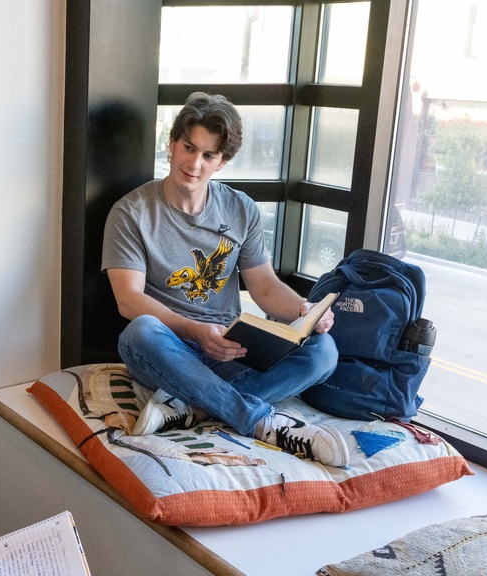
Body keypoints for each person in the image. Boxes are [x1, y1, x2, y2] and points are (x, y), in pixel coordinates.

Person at [101, 92, 350, 468]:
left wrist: (303, 310)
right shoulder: (131, 212)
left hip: (231, 349)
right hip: (171, 352)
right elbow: (128, 300)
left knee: (324, 351)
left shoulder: (240, 209)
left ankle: (194, 408)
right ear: (171, 144)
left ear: (222, 162)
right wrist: (193, 329)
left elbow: (265, 287)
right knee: (139, 332)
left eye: (209, 155)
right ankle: (257, 419)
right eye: (188, 147)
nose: (194, 163)